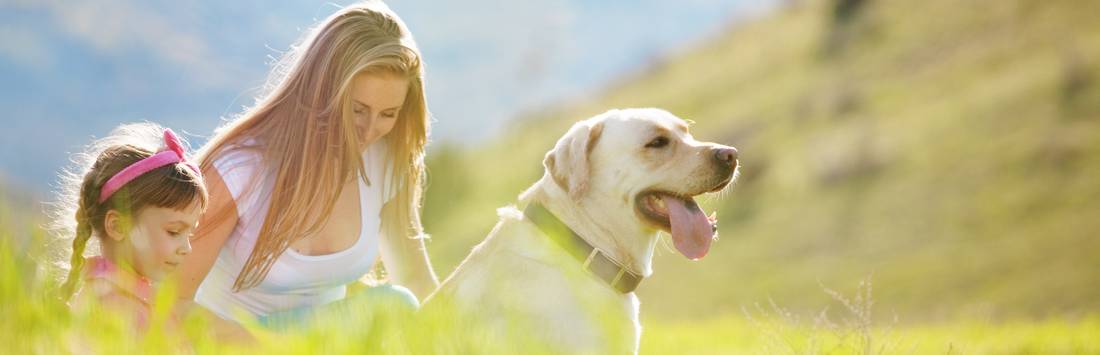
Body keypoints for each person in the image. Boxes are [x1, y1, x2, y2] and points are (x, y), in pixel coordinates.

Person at [175, 0, 438, 329]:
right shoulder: (240, 168)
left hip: (320, 343)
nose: (370, 130)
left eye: (388, 114)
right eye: (357, 109)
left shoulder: (386, 163)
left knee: (399, 307)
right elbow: (171, 302)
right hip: (230, 342)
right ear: (323, 91)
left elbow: (416, 278)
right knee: (393, 306)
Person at [55, 123, 207, 330]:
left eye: (189, 233)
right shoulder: (114, 308)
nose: (186, 248)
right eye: (173, 232)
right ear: (118, 226)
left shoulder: (137, 300)